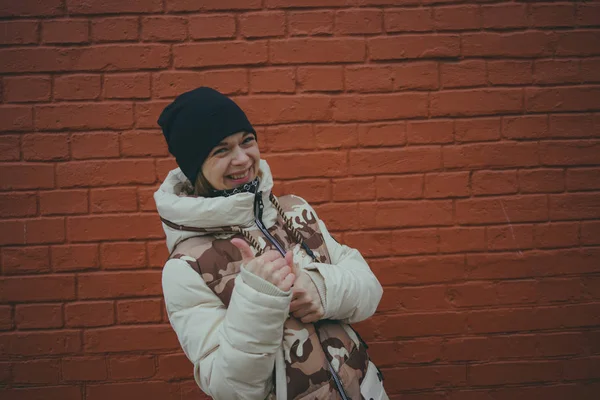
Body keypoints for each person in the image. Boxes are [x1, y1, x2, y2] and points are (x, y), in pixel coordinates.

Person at [154, 87, 387, 400]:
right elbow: (230, 388)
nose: (242, 158)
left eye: (246, 141)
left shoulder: (294, 209)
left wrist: (322, 289)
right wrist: (258, 302)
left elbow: (369, 289)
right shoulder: (187, 267)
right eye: (221, 150)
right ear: (196, 166)